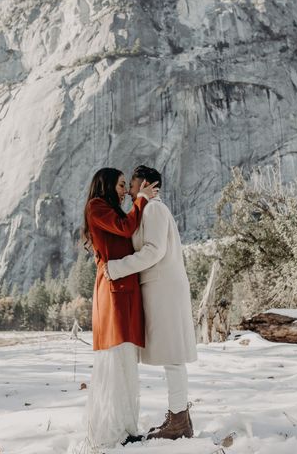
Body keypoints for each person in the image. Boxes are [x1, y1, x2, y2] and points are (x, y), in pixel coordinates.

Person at [104, 165, 197, 440]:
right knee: (172, 354)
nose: (129, 188)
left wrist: (116, 268)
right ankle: (180, 418)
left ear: (143, 182)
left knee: (173, 356)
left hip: (164, 288)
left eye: (131, 182)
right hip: (161, 287)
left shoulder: (155, 209)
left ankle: (179, 421)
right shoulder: (150, 209)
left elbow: (154, 251)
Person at [82, 167, 158, 448]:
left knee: (126, 361)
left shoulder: (109, 210)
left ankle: (126, 428)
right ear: (107, 184)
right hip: (113, 292)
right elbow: (126, 228)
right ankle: (113, 431)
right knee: (116, 359)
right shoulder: (96, 206)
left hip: (122, 290)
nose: (126, 190)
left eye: (128, 186)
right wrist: (142, 199)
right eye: (122, 185)